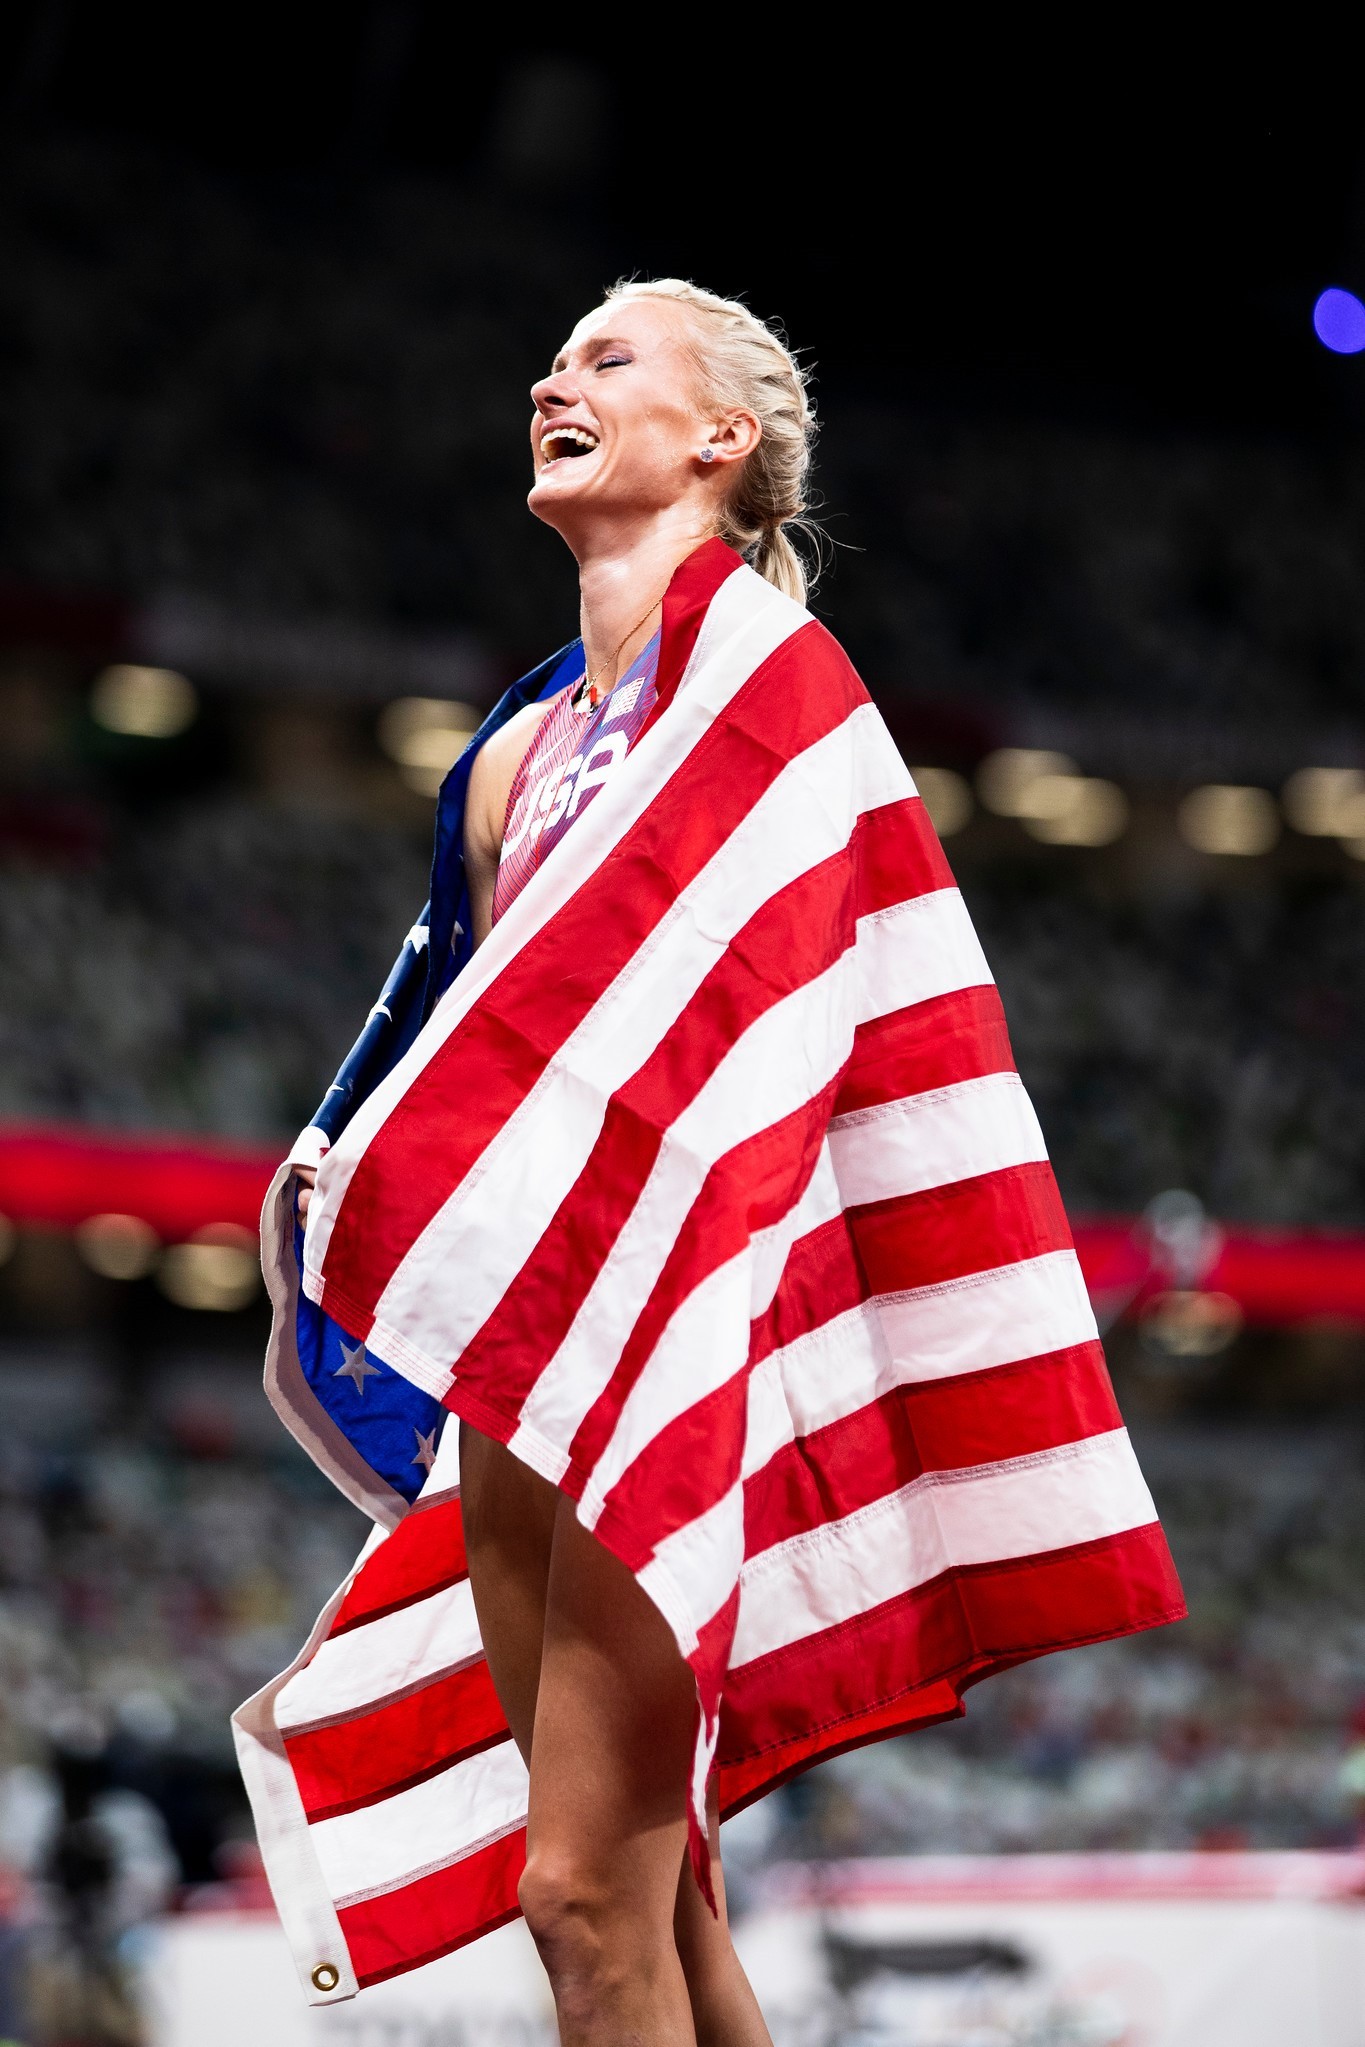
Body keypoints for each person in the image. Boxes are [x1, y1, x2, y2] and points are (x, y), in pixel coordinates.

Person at [274, 281, 1183, 2044]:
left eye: (608, 357)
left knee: (577, 1897)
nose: (552, 378)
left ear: (720, 437)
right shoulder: (517, 757)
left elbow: (786, 1044)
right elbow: (487, 1036)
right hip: (546, 1338)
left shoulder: (776, 680)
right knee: (657, 1903)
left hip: (681, 1322)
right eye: (554, 358)